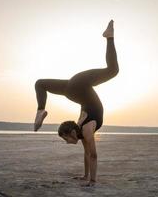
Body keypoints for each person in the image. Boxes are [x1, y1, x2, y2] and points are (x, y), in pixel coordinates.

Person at [34, 20, 119, 186]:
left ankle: (109, 37)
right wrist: (85, 177)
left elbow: (93, 155)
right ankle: (39, 111)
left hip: (78, 86)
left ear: (72, 133)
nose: (66, 142)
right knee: (40, 84)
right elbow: (88, 154)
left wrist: (92, 181)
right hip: (72, 89)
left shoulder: (86, 129)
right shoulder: (83, 131)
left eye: (65, 138)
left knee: (113, 70)